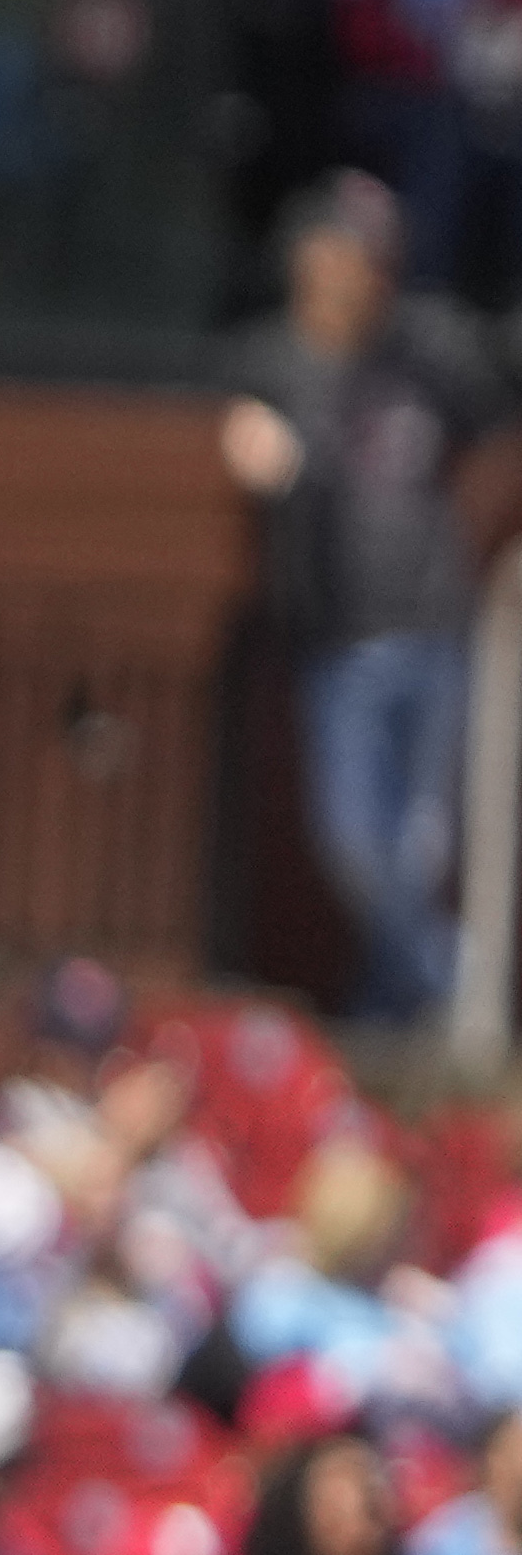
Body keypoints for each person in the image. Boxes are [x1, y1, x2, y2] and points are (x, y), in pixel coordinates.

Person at [224, 182, 509, 1028]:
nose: (366, 275)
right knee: (350, 838)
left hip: (431, 629)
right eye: (350, 254)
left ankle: (388, 1007)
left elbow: (496, 423)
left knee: (419, 847)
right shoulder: (271, 363)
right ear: (311, 260)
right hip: (338, 643)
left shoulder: (425, 352)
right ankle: (444, 972)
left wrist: (475, 541)